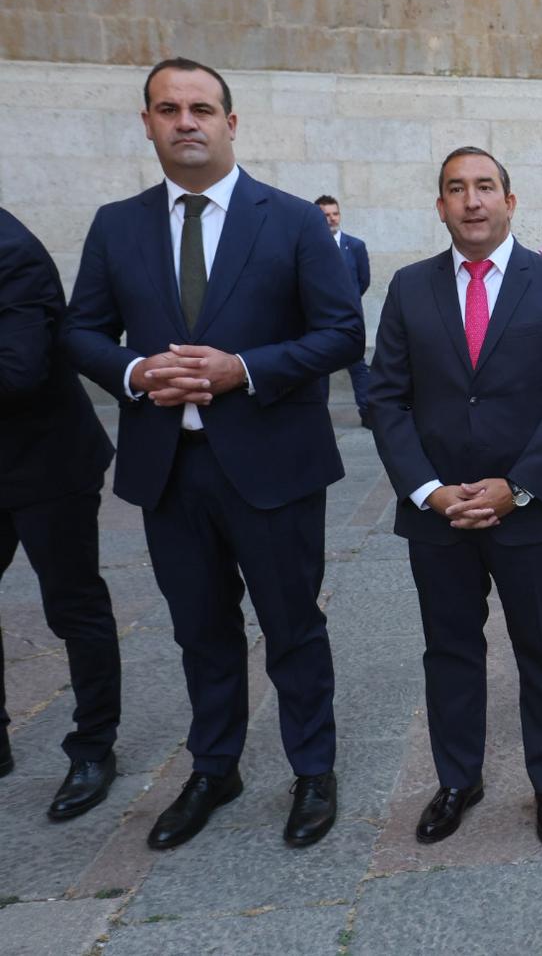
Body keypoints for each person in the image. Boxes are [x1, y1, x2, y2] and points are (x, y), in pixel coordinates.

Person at [64, 58, 364, 850]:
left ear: (232, 123)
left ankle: (312, 769)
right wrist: (132, 370)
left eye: (202, 108)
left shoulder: (294, 220)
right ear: (149, 124)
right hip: (170, 470)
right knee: (200, 629)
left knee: (292, 624)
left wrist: (246, 368)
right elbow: (80, 331)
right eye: (169, 109)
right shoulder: (116, 224)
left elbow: (342, 332)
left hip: (274, 465)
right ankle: (215, 766)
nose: (186, 121)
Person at [368, 147, 542, 847]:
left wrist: (517, 486)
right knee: (450, 651)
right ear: (440, 206)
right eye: (456, 189)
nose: (472, 201)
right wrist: (430, 491)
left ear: (511, 201)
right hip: (439, 517)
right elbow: (385, 398)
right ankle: (458, 778)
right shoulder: (409, 288)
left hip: (530, 510)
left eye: (486, 187)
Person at [0, 208, 121, 819]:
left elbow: (18, 371)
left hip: (48, 466)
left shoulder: (11, 249)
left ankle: (94, 747)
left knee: (74, 607)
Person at [315, 195, 373, 429]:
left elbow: (363, 280)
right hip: (318, 319)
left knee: (358, 367)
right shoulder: (311, 245)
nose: (331, 219)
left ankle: (368, 413)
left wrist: (347, 303)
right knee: (320, 371)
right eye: (325, 215)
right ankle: (318, 417)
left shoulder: (355, 245)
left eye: (334, 213)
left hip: (348, 318)